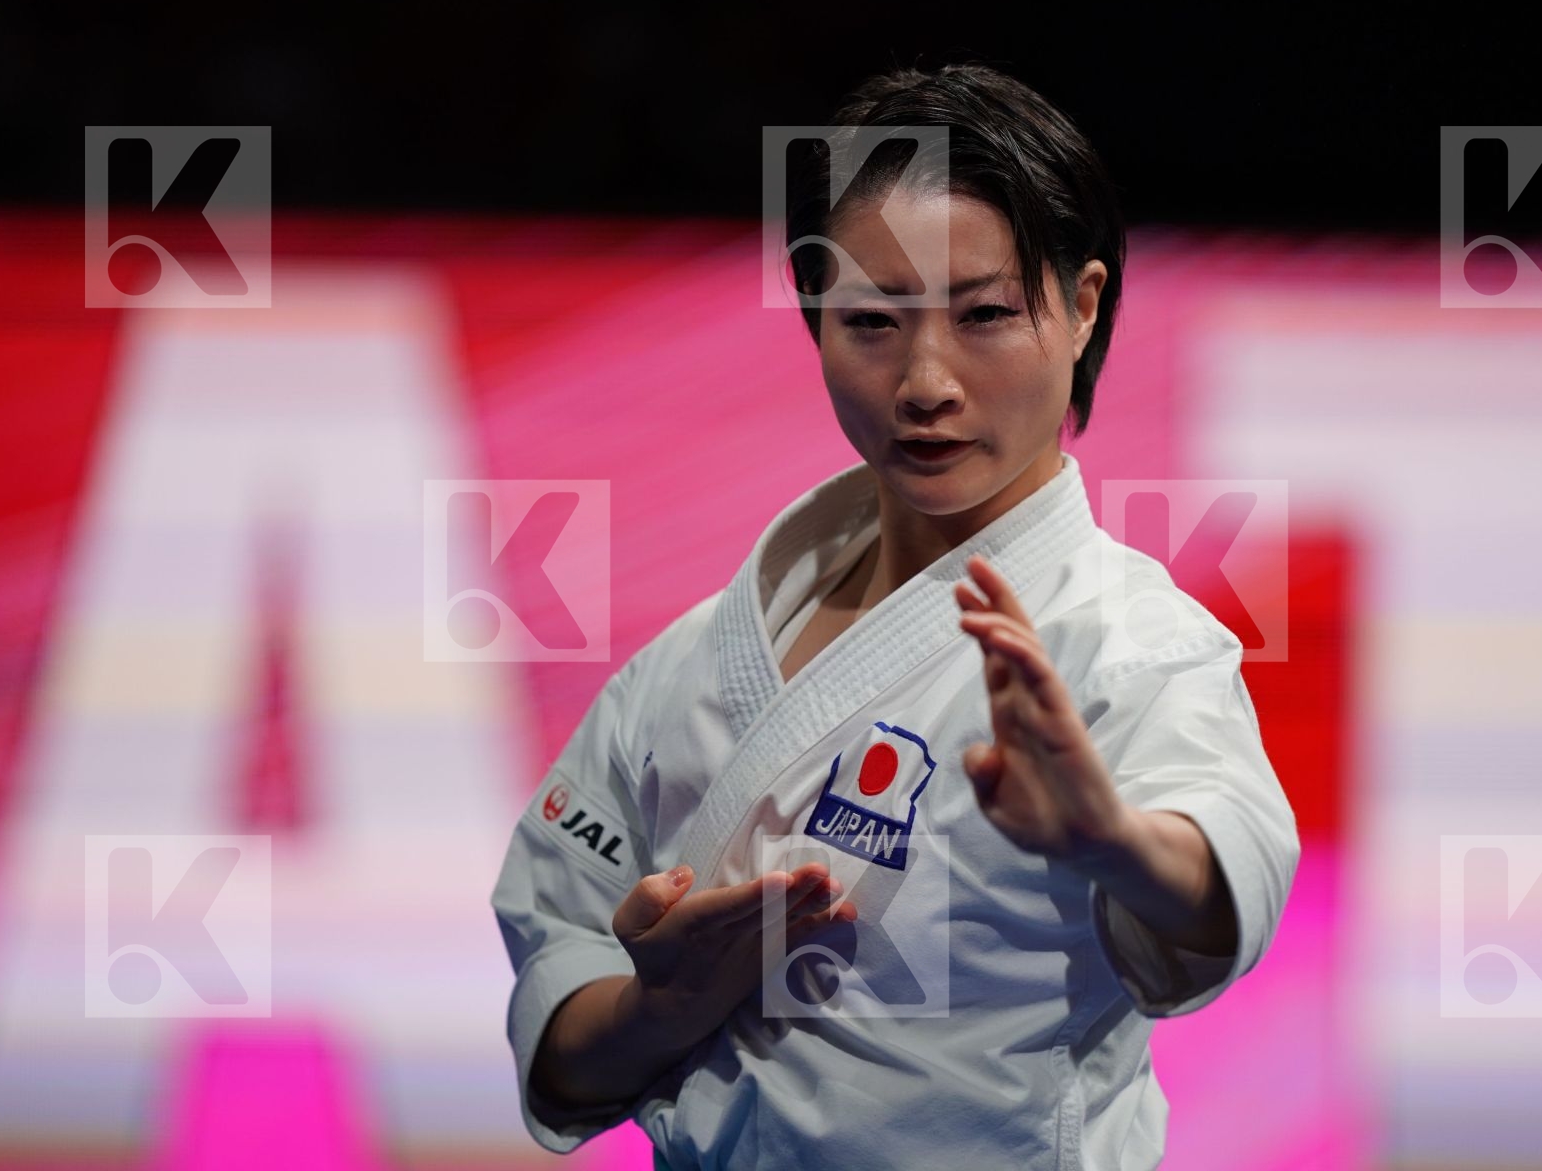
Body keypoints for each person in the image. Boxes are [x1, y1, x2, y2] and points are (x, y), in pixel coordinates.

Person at [490, 61, 1300, 1169]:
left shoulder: (1127, 643)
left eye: (983, 316)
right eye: (872, 320)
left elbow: (1224, 885)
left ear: (1083, 307)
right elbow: (566, 1037)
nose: (926, 380)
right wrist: (663, 1009)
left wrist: (1114, 838)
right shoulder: (680, 670)